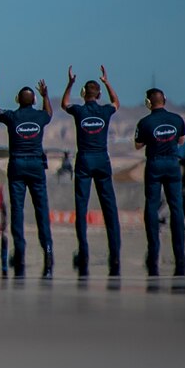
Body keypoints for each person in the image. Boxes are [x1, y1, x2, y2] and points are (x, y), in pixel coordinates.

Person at [0, 74, 53, 275]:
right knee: (41, 209)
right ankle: (48, 250)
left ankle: (20, 252)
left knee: (17, 210)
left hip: (17, 165)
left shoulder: (12, 116)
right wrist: (46, 96)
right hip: (36, 165)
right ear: (34, 100)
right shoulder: (41, 116)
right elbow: (49, 113)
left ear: (17, 100)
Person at [62, 66, 123, 275]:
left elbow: (64, 104)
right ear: (98, 95)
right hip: (102, 158)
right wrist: (107, 83)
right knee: (109, 207)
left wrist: (70, 83)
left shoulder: (79, 111)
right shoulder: (105, 110)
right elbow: (117, 103)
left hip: (85, 159)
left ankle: (84, 251)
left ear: (83, 94)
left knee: (81, 206)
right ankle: (115, 252)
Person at [134, 88, 185, 276]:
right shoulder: (177, 119)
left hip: (155, 164)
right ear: (164, 100)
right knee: (177, 208)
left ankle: (153, 251)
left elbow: (138, 145)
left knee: (152, 206)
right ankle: (180, 253)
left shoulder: (144, 122)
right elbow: (181, 140)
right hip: (173, 164)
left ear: (148, 103)